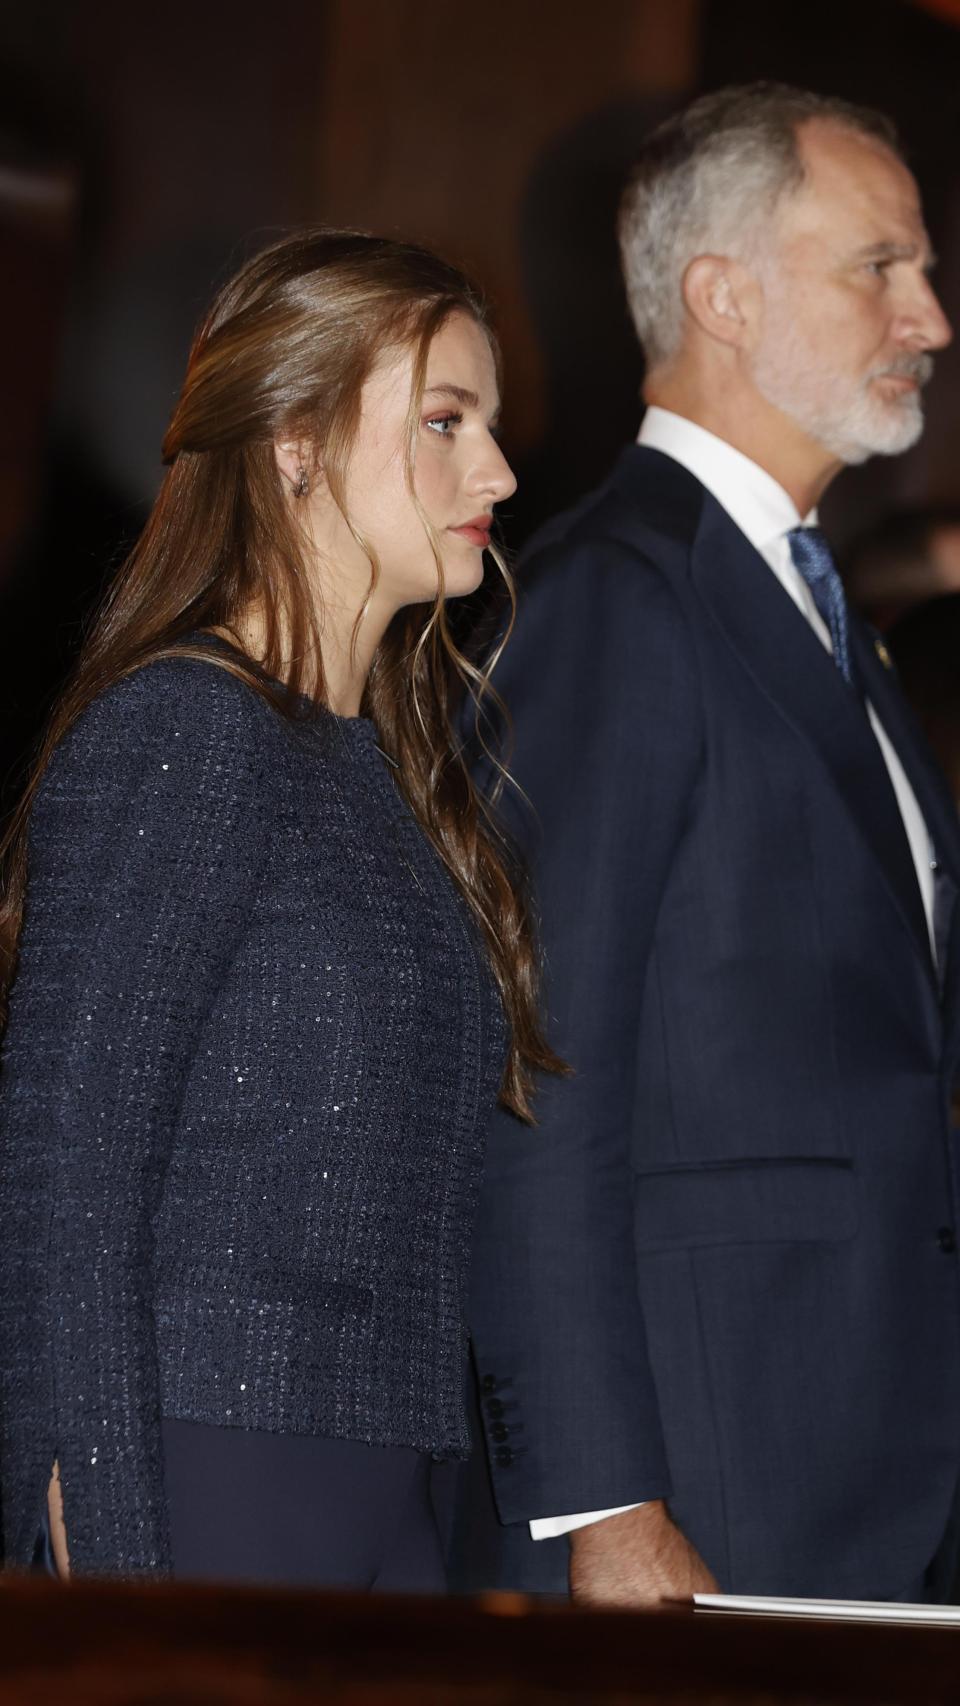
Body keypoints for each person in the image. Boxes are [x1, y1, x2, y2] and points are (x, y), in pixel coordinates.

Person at [455, 83, 960, 1606]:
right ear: (720, 296)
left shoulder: (813, 615)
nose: (929, 316)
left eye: (924, 268)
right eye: (881, 265)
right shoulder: (618, 595)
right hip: (713, 1484)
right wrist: (603, 1502)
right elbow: (535, 1072)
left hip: (864, 1467)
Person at [0, 228, 562, 1587]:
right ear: (296, 440)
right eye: (445, 421)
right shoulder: (188, 731)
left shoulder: (387, 772)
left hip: (388, 1493)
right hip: (218, 1468)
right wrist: (117, 1557)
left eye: (486, 424)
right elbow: (67, 1179)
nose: (495, 470)